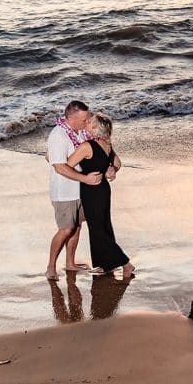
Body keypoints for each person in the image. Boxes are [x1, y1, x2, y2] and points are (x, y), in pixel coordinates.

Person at [67, 112, 134, 280]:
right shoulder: (107, 145)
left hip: (92, 190)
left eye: (91, 121)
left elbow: (67, 165)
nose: (87, 122)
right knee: (104, 227)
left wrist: (51, 157)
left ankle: (125, 263)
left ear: (96, 128)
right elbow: (118, 164)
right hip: (103, 189)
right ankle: (105, 265)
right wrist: (112, 169)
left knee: (97, 230)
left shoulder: (87, 146)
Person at [45, 100, 102, 281]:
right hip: (64, 192)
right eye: (84, 119)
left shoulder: (80, 132)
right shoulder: (58, 136)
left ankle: (70, 263)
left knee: (77, 227)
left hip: (80, 190)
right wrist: (86, 179)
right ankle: (51, 267)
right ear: (71, 118)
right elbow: (60, 167)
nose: (87, 122)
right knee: (66, 229)